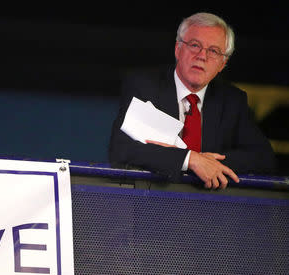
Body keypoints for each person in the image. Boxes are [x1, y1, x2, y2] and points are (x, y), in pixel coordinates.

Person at [109, 12, 276, 189]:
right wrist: (190, 159)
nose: (202, 56)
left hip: (210, 206)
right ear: (178, 49)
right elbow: (121, 149)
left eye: (213, 51)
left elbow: (263, 158)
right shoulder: (144, 87)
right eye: (195, 45)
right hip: (154, 203)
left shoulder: (232, 100)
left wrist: (206, 162)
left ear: (222, 64)